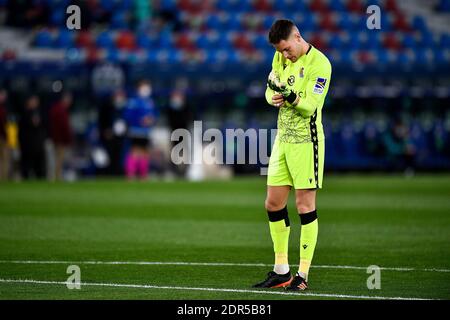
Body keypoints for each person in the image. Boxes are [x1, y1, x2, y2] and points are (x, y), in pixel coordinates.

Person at [253, 19, 332, 291]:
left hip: (306, 142)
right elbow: (269, 87)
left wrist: (288, 95)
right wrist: (271, 97)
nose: (284, 55)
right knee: (273, 203)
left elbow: (310, 107)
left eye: (287, 49)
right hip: (282, 141)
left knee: (304, 206)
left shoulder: (320, 64)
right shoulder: (280, 57)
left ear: (297, 36)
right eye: (281, 51)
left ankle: (302, 276)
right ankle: (281, 270)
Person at [123, 80, 158, 180]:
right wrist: (139, 120)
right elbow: (127, 115)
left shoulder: (150, 101)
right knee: (134, 151)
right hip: (135, 130)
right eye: (144, 87)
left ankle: (143, 174)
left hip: (146, 131)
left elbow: (154, 114)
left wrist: (152, 120)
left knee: (145, 152)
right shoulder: (133, 101)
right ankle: (131, 173)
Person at [18, 95, 47, 179]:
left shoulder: (40, 112)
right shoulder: (24, 113)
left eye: (36, 101)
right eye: (33, 101)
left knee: (39, 168)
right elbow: (21, 131)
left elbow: (45, 127)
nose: (34, 103)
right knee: (26, 167)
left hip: (38, 145)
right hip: (27, 145)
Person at [49, 92, 73, 181]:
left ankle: (55, 176)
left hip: (54, 138)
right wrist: (68, 139)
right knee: (59, 159)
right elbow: (64, 126)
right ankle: (57, 176)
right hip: (60, 139)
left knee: (55, 159)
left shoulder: (54, 109)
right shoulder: (61, 110)